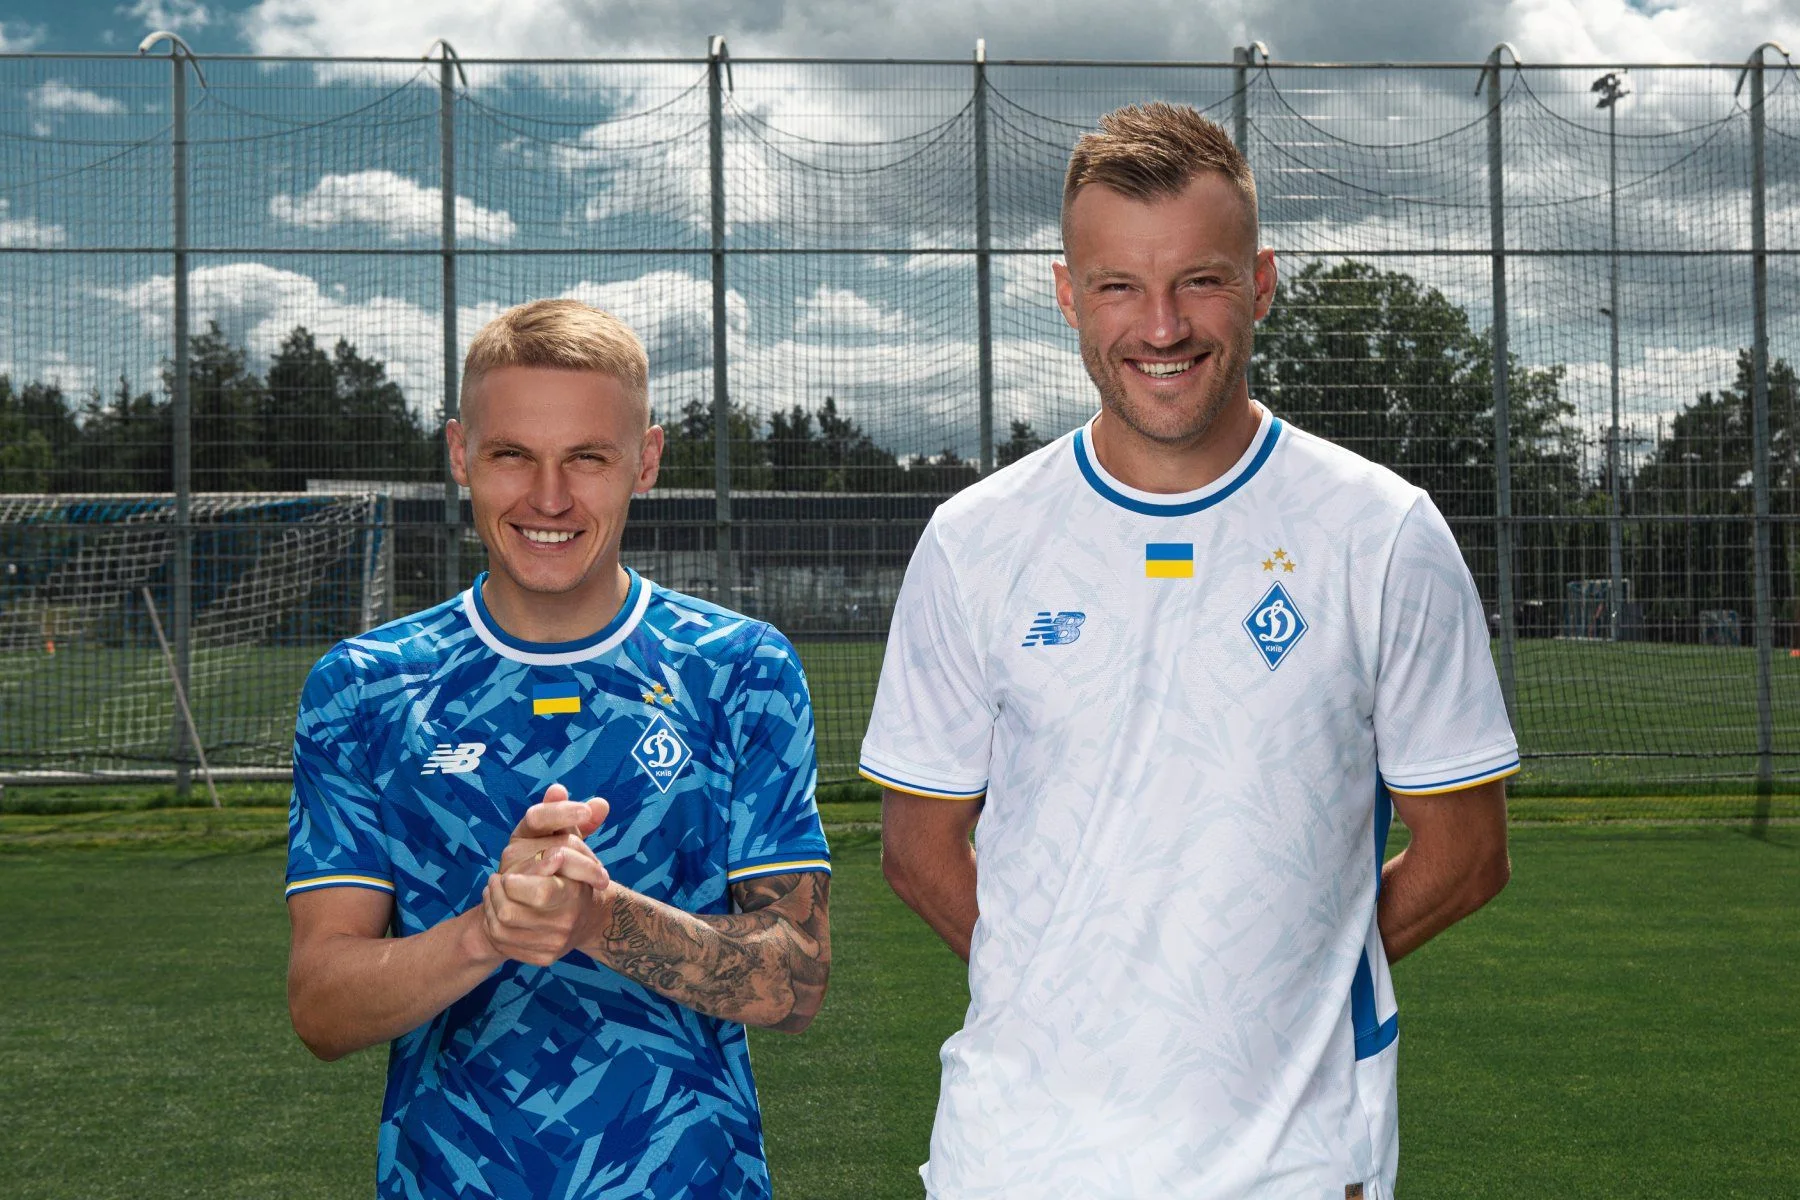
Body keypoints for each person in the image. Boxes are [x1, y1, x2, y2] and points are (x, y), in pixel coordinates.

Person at [865, 103, 1515, 1200]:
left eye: (1200, 281)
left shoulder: (1382, 532)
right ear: (1069, 295)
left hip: (1295, 1164)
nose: (1160, 326)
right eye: (1119, 285)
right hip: (1018, 1160)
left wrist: (1291, 985)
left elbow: (1468, 855)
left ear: (1260, 284)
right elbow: (917, 851)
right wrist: (1085, 990)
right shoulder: (975, 541)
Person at [285, 299, 831, 1200]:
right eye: (512, 455)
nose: (549, 498)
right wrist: (486, 933)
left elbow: (797, 981)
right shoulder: (364, 687)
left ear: (645, 462)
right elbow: (321, 1006)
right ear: (459, 453)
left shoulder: (741, 668)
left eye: (587, 457)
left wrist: (601, 920)